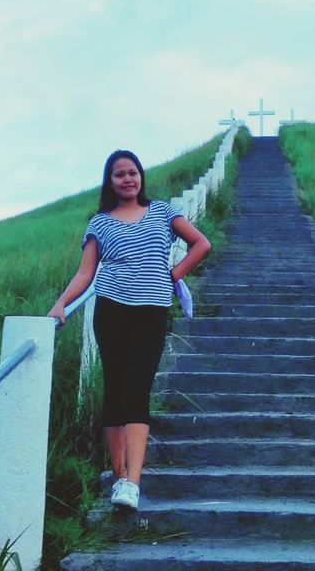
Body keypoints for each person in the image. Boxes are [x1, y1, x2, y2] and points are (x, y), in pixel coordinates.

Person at [48, 149, 211, 511]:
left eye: (132, 172)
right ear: (110, 181)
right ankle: (119, 476)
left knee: (137, 391)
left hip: (151, 314)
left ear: (141, 177)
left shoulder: (163, 212)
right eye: (119, 174)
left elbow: (202, 244)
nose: (127, 179)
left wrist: (172, 275)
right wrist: (61, 303)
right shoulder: (100, 223)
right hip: (111, 312)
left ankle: (132, 484)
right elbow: (85, 272)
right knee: (115, 392)